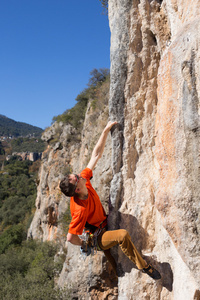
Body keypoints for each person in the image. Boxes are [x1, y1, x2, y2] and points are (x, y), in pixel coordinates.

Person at [59, 121, 161, 280]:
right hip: (97, 237)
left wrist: (106, 130)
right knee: (122, 235)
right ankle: (144, 266)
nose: (80, 175)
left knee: (117, 268)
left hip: (104, 223)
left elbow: (96, 154)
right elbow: (70, 237)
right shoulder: (80, 209)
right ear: (77, 189)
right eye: (77, 178)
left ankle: (118, 273)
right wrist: (85, 244)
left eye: (77, 175)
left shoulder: (84, 181)